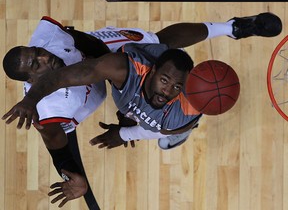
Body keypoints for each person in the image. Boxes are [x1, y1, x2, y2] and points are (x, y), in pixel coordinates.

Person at [2, 12, 282, 208]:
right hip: (104, 73)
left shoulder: (51, 39)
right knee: (139, 96)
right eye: (36, 64)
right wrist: (68, 172)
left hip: (102, 56)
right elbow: (55, 140)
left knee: (158, 42)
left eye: (37, 51)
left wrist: (124, 129)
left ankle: (231, 28)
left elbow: (79, 42)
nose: (43, 56)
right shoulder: (50, 106)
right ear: (31, 81)